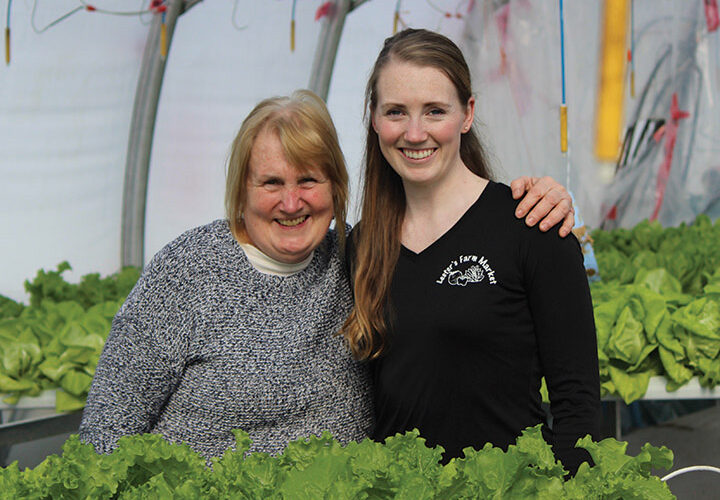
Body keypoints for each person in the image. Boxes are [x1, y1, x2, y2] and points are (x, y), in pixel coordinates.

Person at [78, 89, 575, 463]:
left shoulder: (362, 256)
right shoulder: (187, 271)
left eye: (309, 180)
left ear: (336, 187)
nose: (291, 202)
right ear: (241, 189)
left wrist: (536, 198)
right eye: (271, 182)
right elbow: (106, 429)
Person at [342, 29, 600, 475]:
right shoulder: (361, 246)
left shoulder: (533, 227)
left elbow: (577, 401)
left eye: (435, 111)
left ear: (467, 114)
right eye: (396, 111)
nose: (415, 133)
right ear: (374, 119)